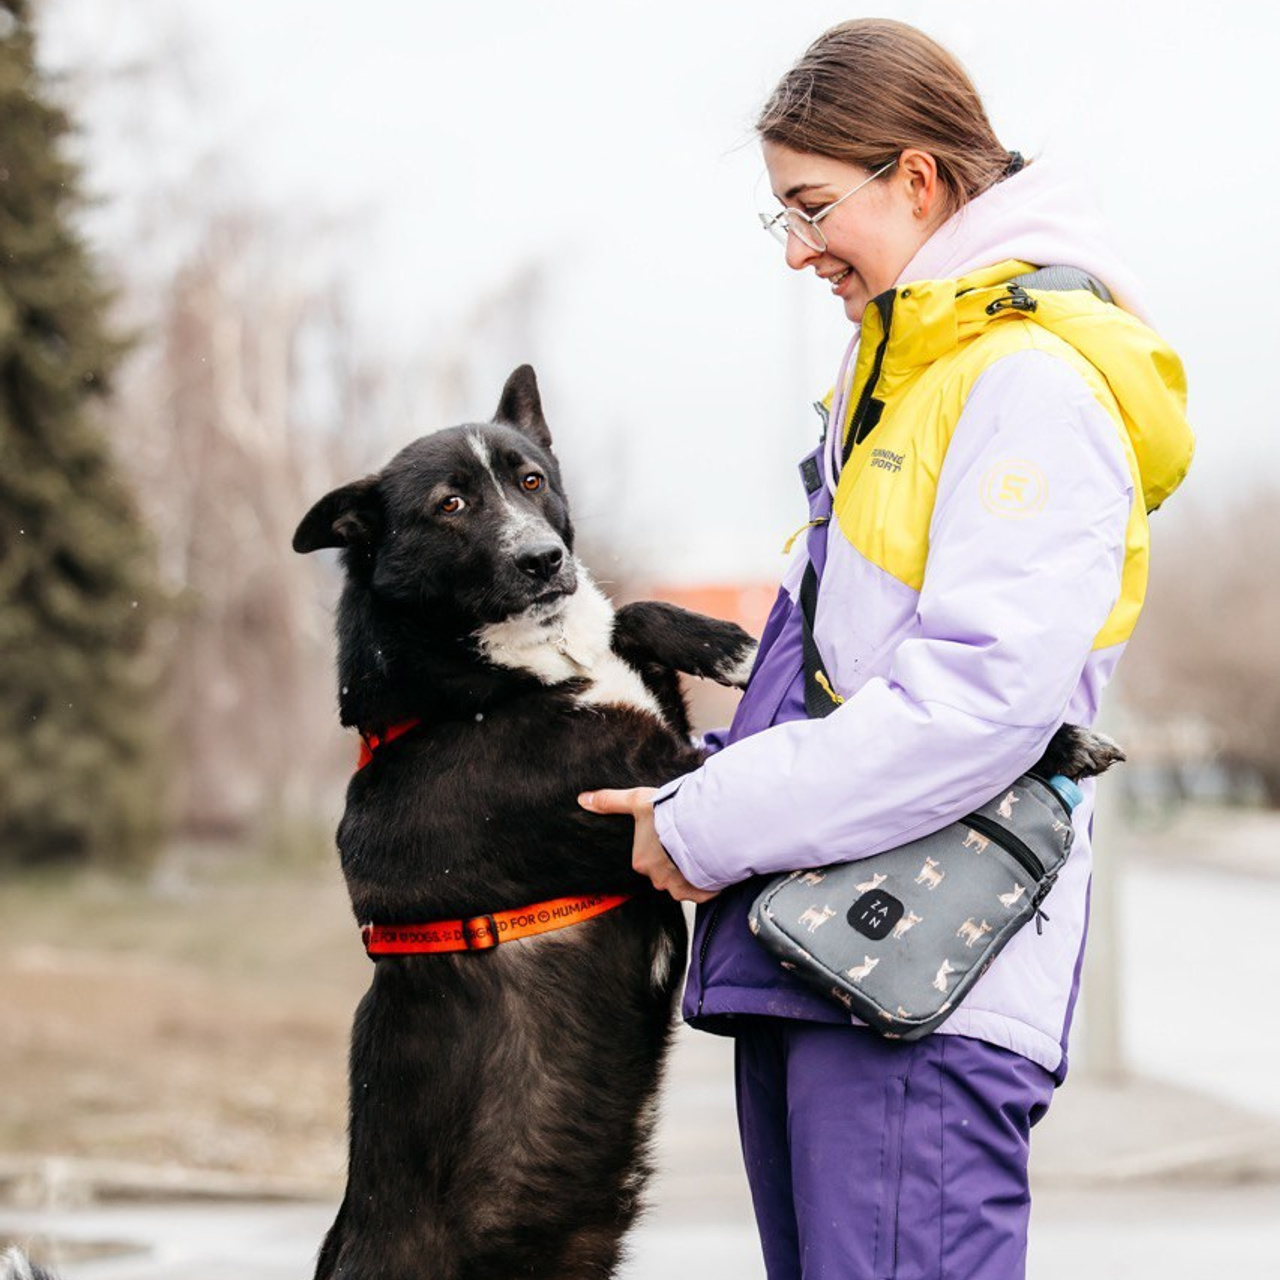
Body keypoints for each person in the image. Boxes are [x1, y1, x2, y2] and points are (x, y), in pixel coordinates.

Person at [580, 17, 1192, 1280]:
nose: (796, 249)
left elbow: (976, 702)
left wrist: (705, 821)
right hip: (837, 953)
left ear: (914, 178)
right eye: (780, 216)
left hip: (920, 984)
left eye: (809, 206)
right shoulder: (907, 375)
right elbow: (841, 681)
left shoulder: (1026, 384)